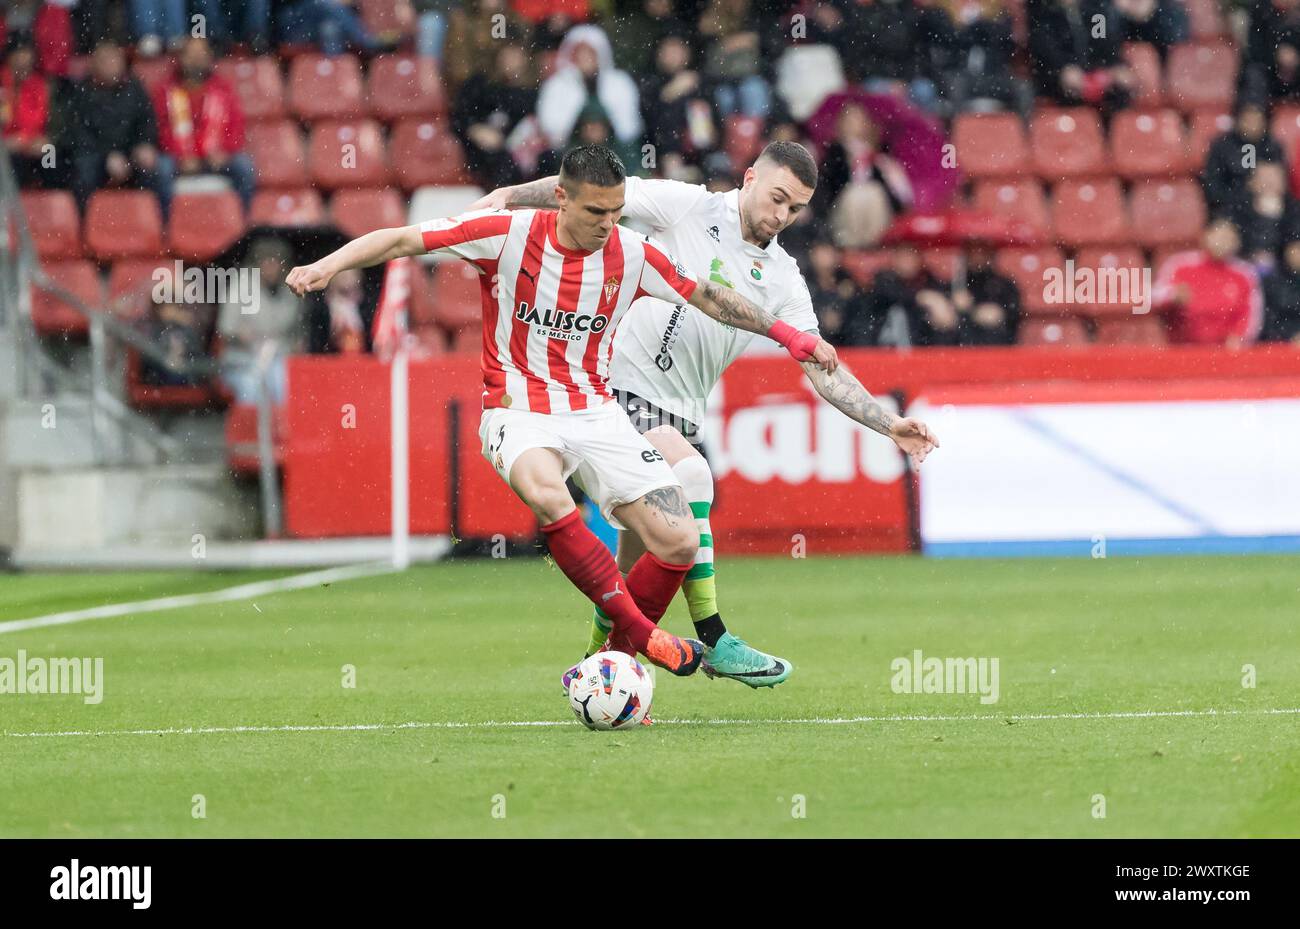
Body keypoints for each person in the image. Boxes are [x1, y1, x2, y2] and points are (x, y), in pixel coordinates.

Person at [285, 144, 840, 692]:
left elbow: (710, 298)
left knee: (679, 540)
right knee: (548, 492)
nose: (608, 224)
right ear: (560, 199)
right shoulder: (506, 234)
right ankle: (645, 638)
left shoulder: (631, 253)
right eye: (596, 212)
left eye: (617, 212)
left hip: (597, 413)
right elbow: (404, 238)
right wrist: (327, 265)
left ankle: (613, 661)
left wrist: (794, 338)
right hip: (518, 411)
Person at [472, 141, 937, 687]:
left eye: (796, 208)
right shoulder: (688, 205)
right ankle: (715, 637)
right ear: (749, 178)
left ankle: (600, 667)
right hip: (612, 389)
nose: (782, 216)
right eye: (778, 198)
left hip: (679, 413)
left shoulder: (785, 278)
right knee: (691, 474)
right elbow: (586, 194)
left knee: (631, 576)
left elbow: (819, 365)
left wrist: (887, 423)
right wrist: (509, 195)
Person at [60, 39, 165, 211]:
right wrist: (107, 156)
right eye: (106, 61)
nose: (111, 65)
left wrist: (144, 145)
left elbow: (147, 121)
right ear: (94, 65)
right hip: (95, 156)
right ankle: (82, 225)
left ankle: (161, 226)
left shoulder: (134, 89)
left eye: (115, 60)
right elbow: (78, 135)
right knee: (82, 172)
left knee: (161, 169)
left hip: (130, 152)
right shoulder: (81, 92)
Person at [153, 36, 255, 209]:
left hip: (216, 157)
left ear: (209, 58)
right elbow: (160, 129)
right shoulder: (165, 90)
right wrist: (179, 155)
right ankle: (165, 227)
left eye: (201, 54)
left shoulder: (223, 89)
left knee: (244, 167)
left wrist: (225, 151)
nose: (196, 60)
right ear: (181, 58)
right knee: (162, 169)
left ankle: (241, 225)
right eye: (191, 55)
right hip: (179, 159)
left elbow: (236, 125)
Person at [1152, 218, 1263, 347]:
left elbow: (1250, 314)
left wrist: (1240, 338)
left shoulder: (1244, 274)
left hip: (1224, 352)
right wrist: (1173, 295)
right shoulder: (1179, 265)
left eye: (1228, 238)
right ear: (1205, 236)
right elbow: (1153, 296)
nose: (1222, 243)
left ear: (1237, 242)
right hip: (1181, 349)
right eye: (1218, 236)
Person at [218, 237, 304, 403]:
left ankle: (280, 429)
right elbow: (225, 328)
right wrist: (239, 335)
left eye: (275, 262)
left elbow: (298, 331)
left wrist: (295, 344)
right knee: (251, 388)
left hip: (278, 357)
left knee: (283, 385)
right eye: (265, 262)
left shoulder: (291, 288)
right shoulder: (242, 283)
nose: (270, 267)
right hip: (243, 359)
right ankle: (252, 429)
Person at [1, 34, 56, 189]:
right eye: (19, 56)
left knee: (50, 154)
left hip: (30, 143)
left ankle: (50, 200)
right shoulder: (2, 84)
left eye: (27, 56)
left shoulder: (38, 85)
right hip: (5, 147)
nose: (23, 62)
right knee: (10, 161)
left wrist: (34, 139)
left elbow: (39, 119)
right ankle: (9, 206)